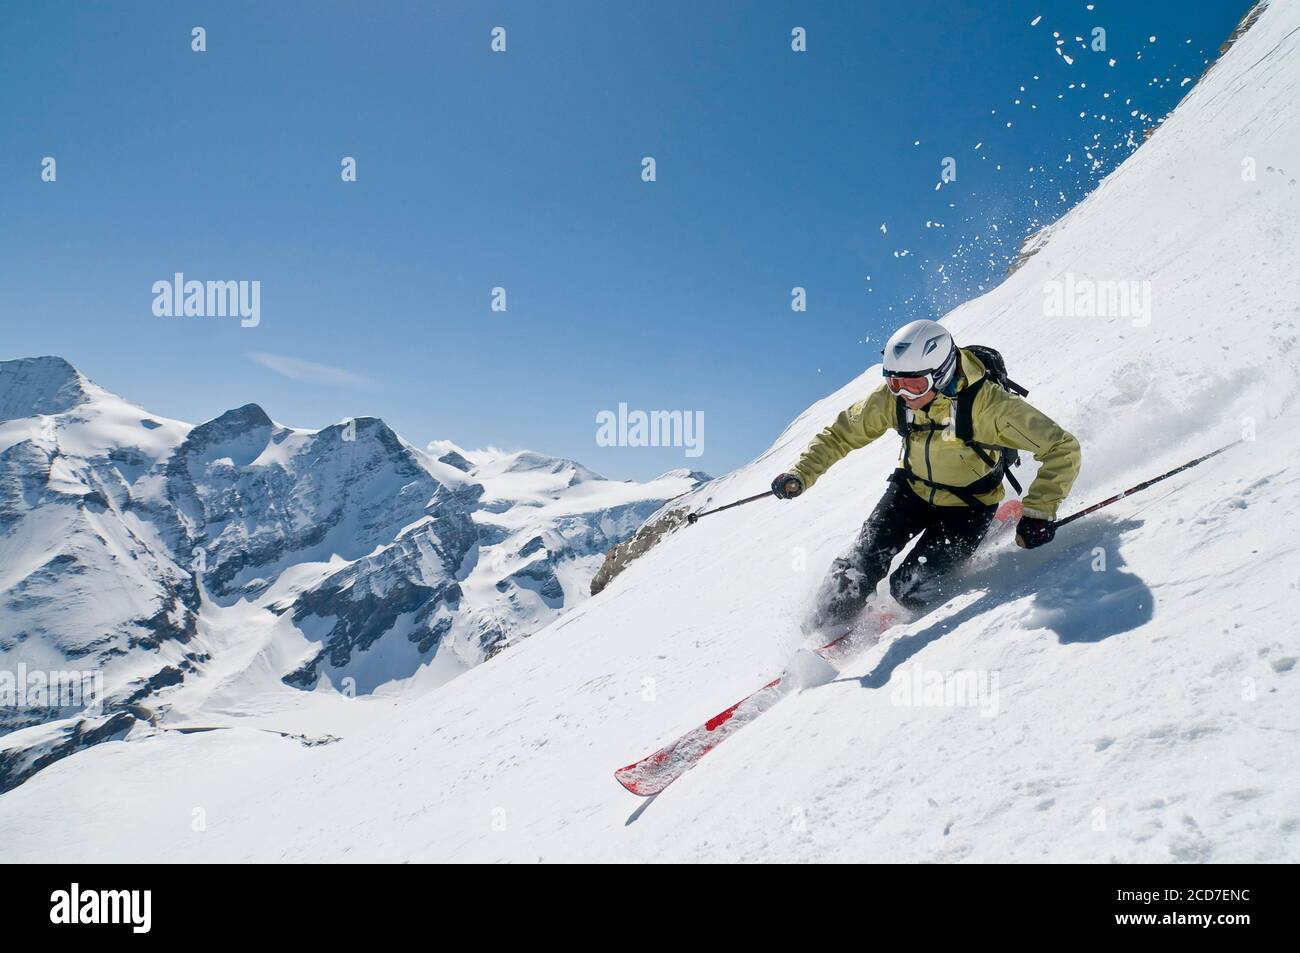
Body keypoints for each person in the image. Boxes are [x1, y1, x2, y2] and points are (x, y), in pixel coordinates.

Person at [771, 319, 1081, 630]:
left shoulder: (989, 407)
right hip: (910, 491)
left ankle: (987, 531)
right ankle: (822, 631)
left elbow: (1061, 448)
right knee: (853, 571)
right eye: (895, 383)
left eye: (915, 385)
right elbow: (841, 434)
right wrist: (801, 473)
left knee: (910, 588)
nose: (904, 393)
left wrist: (1040, 512)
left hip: (967, 506)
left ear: (942, 371)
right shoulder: (896, 400)